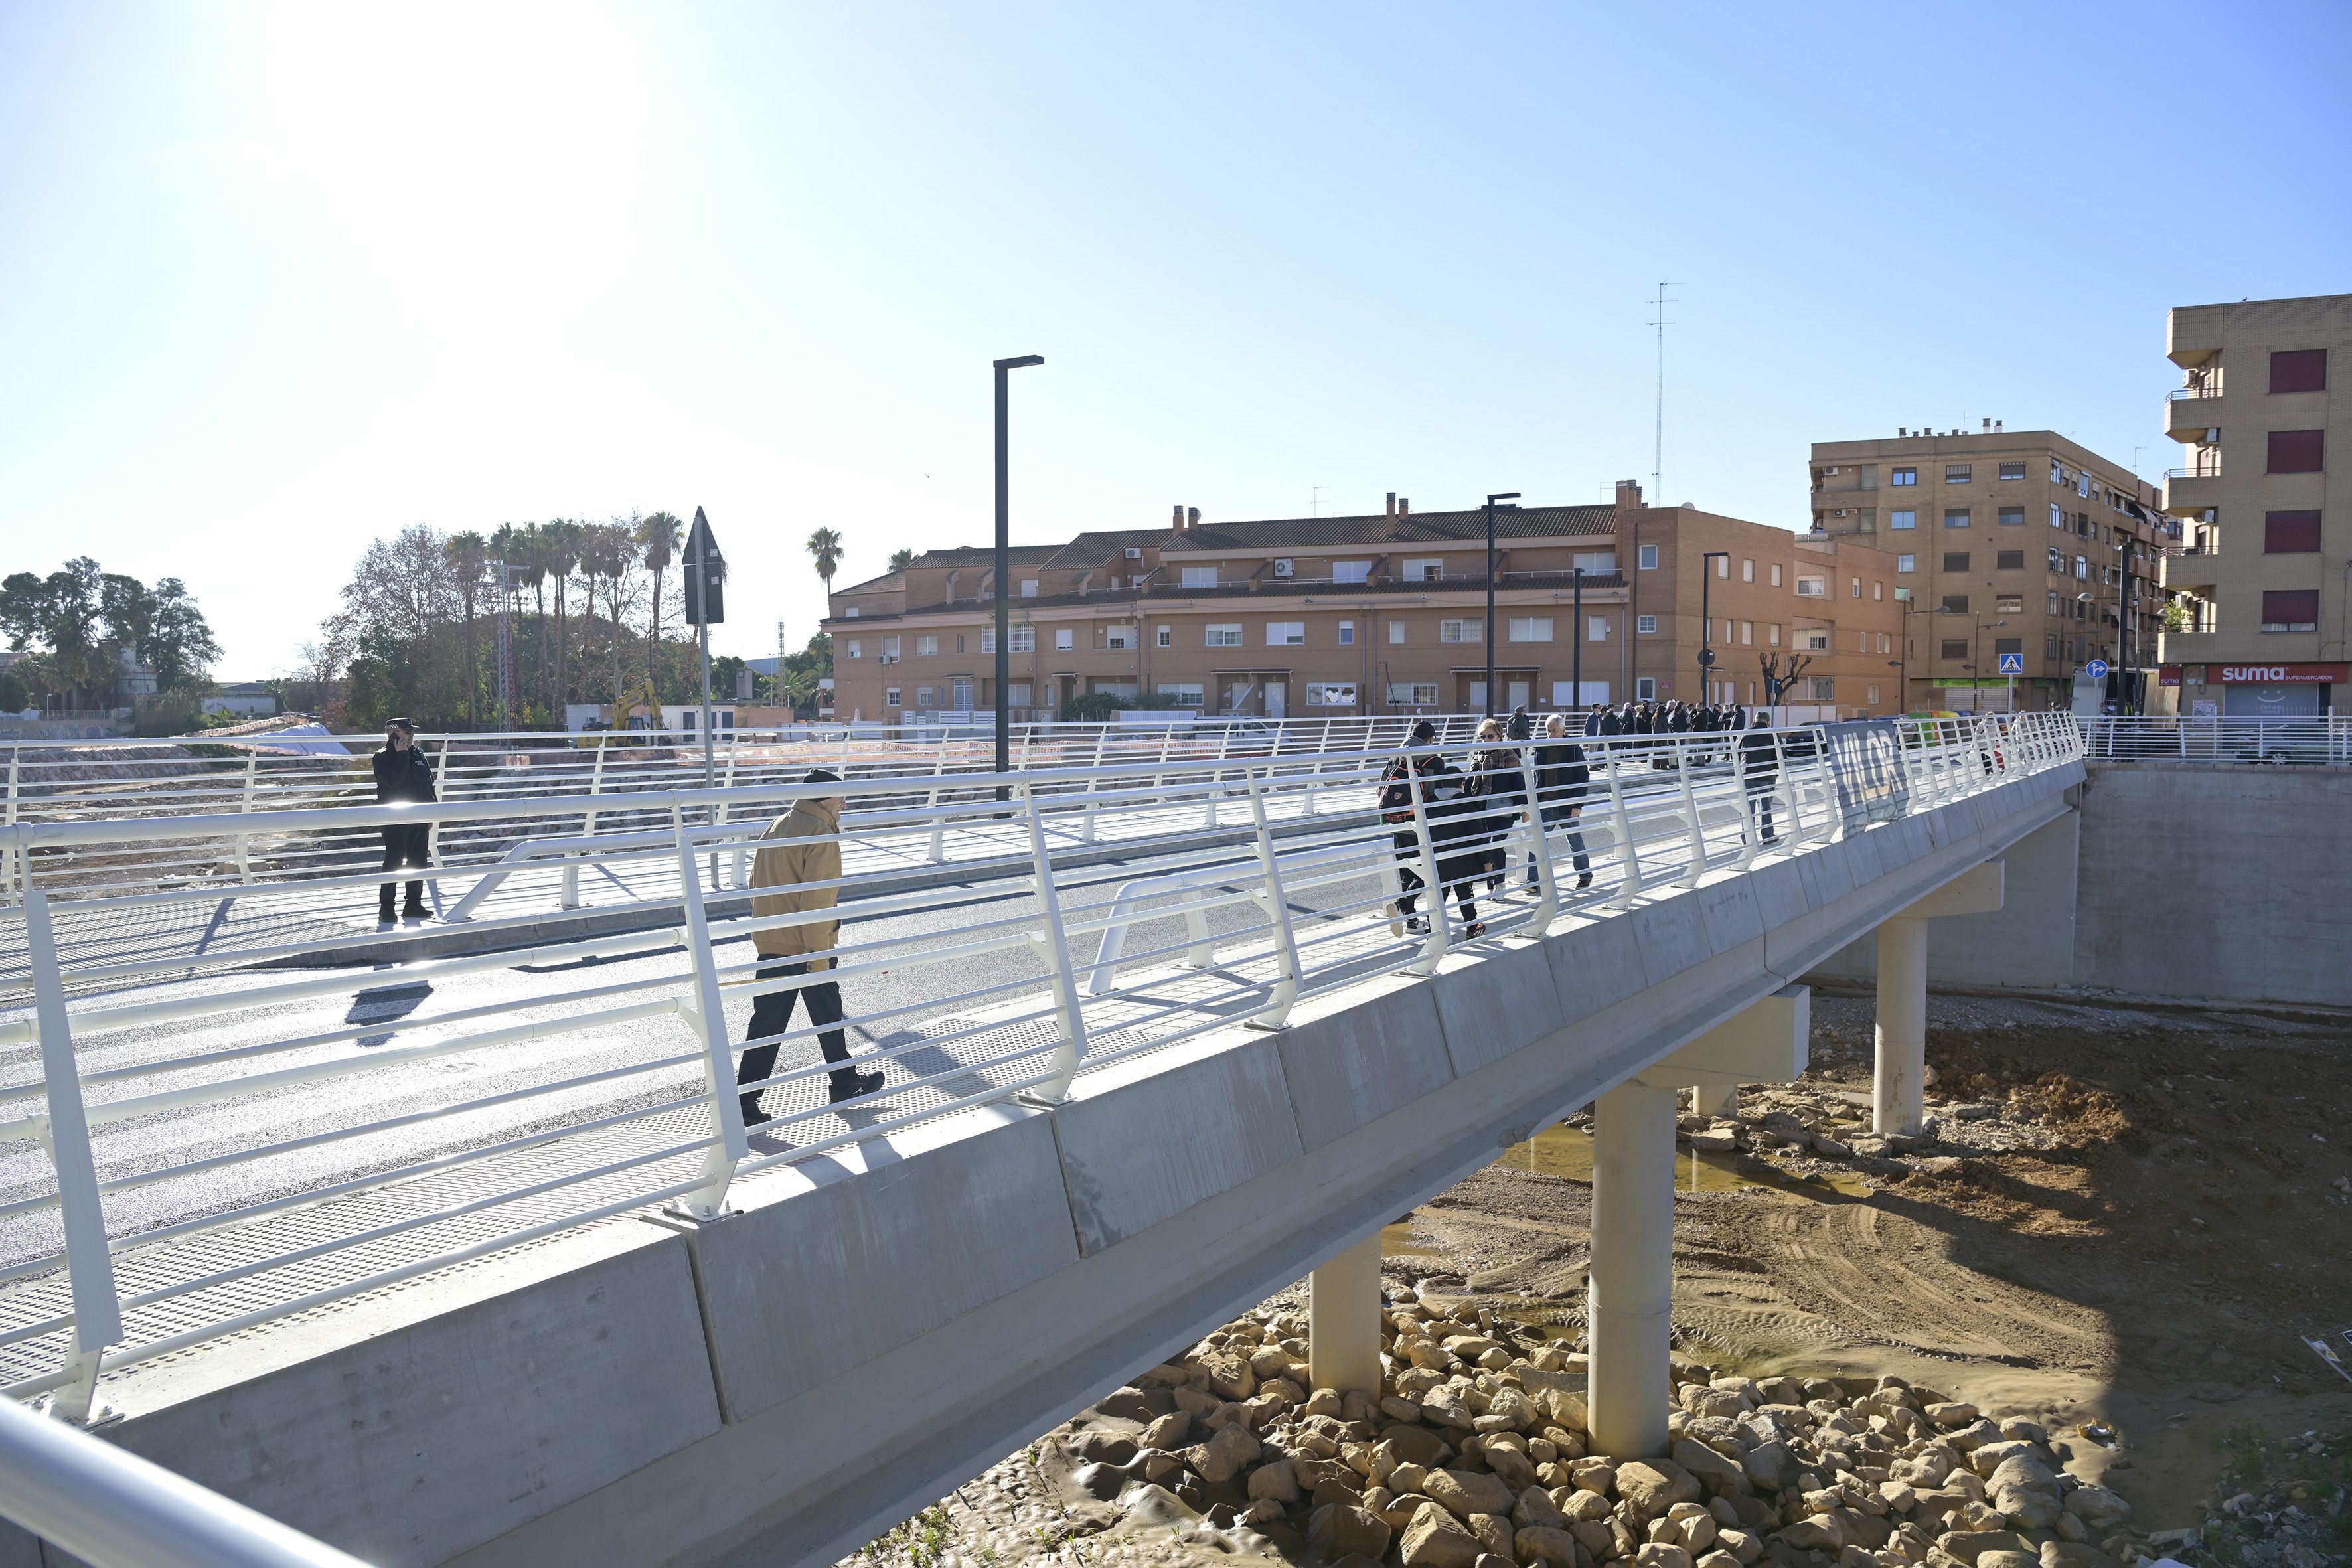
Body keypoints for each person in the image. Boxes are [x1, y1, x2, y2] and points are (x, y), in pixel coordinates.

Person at [737, 769, 881, 1126]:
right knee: (824, 1013)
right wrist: (819, 957)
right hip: (807, 945)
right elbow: (818, 901)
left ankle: (745, 1101)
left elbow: (756, 883)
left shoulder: (779, 824)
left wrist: (765, 935)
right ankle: (843, 1082)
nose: (844, 805)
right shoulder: (820, 833)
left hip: (773, 941)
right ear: (822, 800)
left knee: (773, 1022)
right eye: (839, 799)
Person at [1379, 719, 1448, 934]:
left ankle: (1410, 919)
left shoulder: (1395, 756)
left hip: (1395, 820)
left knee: (1406, 866)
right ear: (1430, 739)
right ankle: (1401, 905)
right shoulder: (1433, 760)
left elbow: (1382, 786)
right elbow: (1437, 792)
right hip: (1420, 820)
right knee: (1428, 868)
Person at [370, 718, 435, 923]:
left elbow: (428, 783)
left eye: (412, 731)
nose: (412, 735)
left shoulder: (418, 753)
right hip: (395, 819)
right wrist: (401, 755)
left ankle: (413, 905)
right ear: (393, 733)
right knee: (394, 862)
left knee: (418, 861)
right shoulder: (382, 757)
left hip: (419, 816)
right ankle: (387, 909)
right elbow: (394, 781)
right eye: (407, 732)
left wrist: (431, 812)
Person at [1533, 712, 1594, 890]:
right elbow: (1537, 776)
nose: (1551, 735)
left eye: (1555, 731)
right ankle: (1533, 881)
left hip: (1566, 805)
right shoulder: (1541, 747)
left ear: (1564, 730)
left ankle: (1585, 876)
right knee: (1538, 842)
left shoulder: (1573, 747)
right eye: (1548, 731)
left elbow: (1583, 776)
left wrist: (1577, 804)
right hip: (1546, 804)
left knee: (1575, 842)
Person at [1469, 716, 1528, 896]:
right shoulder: (1478, 758)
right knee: (1485, 846)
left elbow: (1519, 783)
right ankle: (1490, 885)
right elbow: (1469, 785)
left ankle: (1500, 884)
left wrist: (1524, 808)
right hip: (1483, 809)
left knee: (1495, 845)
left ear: (1499, 737)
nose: (1486, 740)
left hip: (1505, 811)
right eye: (1483, 737)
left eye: (1490, 736)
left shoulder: (1509, 756)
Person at [1740, 712, 1779, 846]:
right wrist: (1776, 771)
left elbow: (1735, 751)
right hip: (1767, 774)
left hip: (1747, 773)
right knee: (1766, 806)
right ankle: (1768, 836)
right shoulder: (1772, 733)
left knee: (1747, 807)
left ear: (1754, 720)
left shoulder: (1744, 733)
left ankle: (1747, 837)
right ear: (1767, 721)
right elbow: (1780, 756)